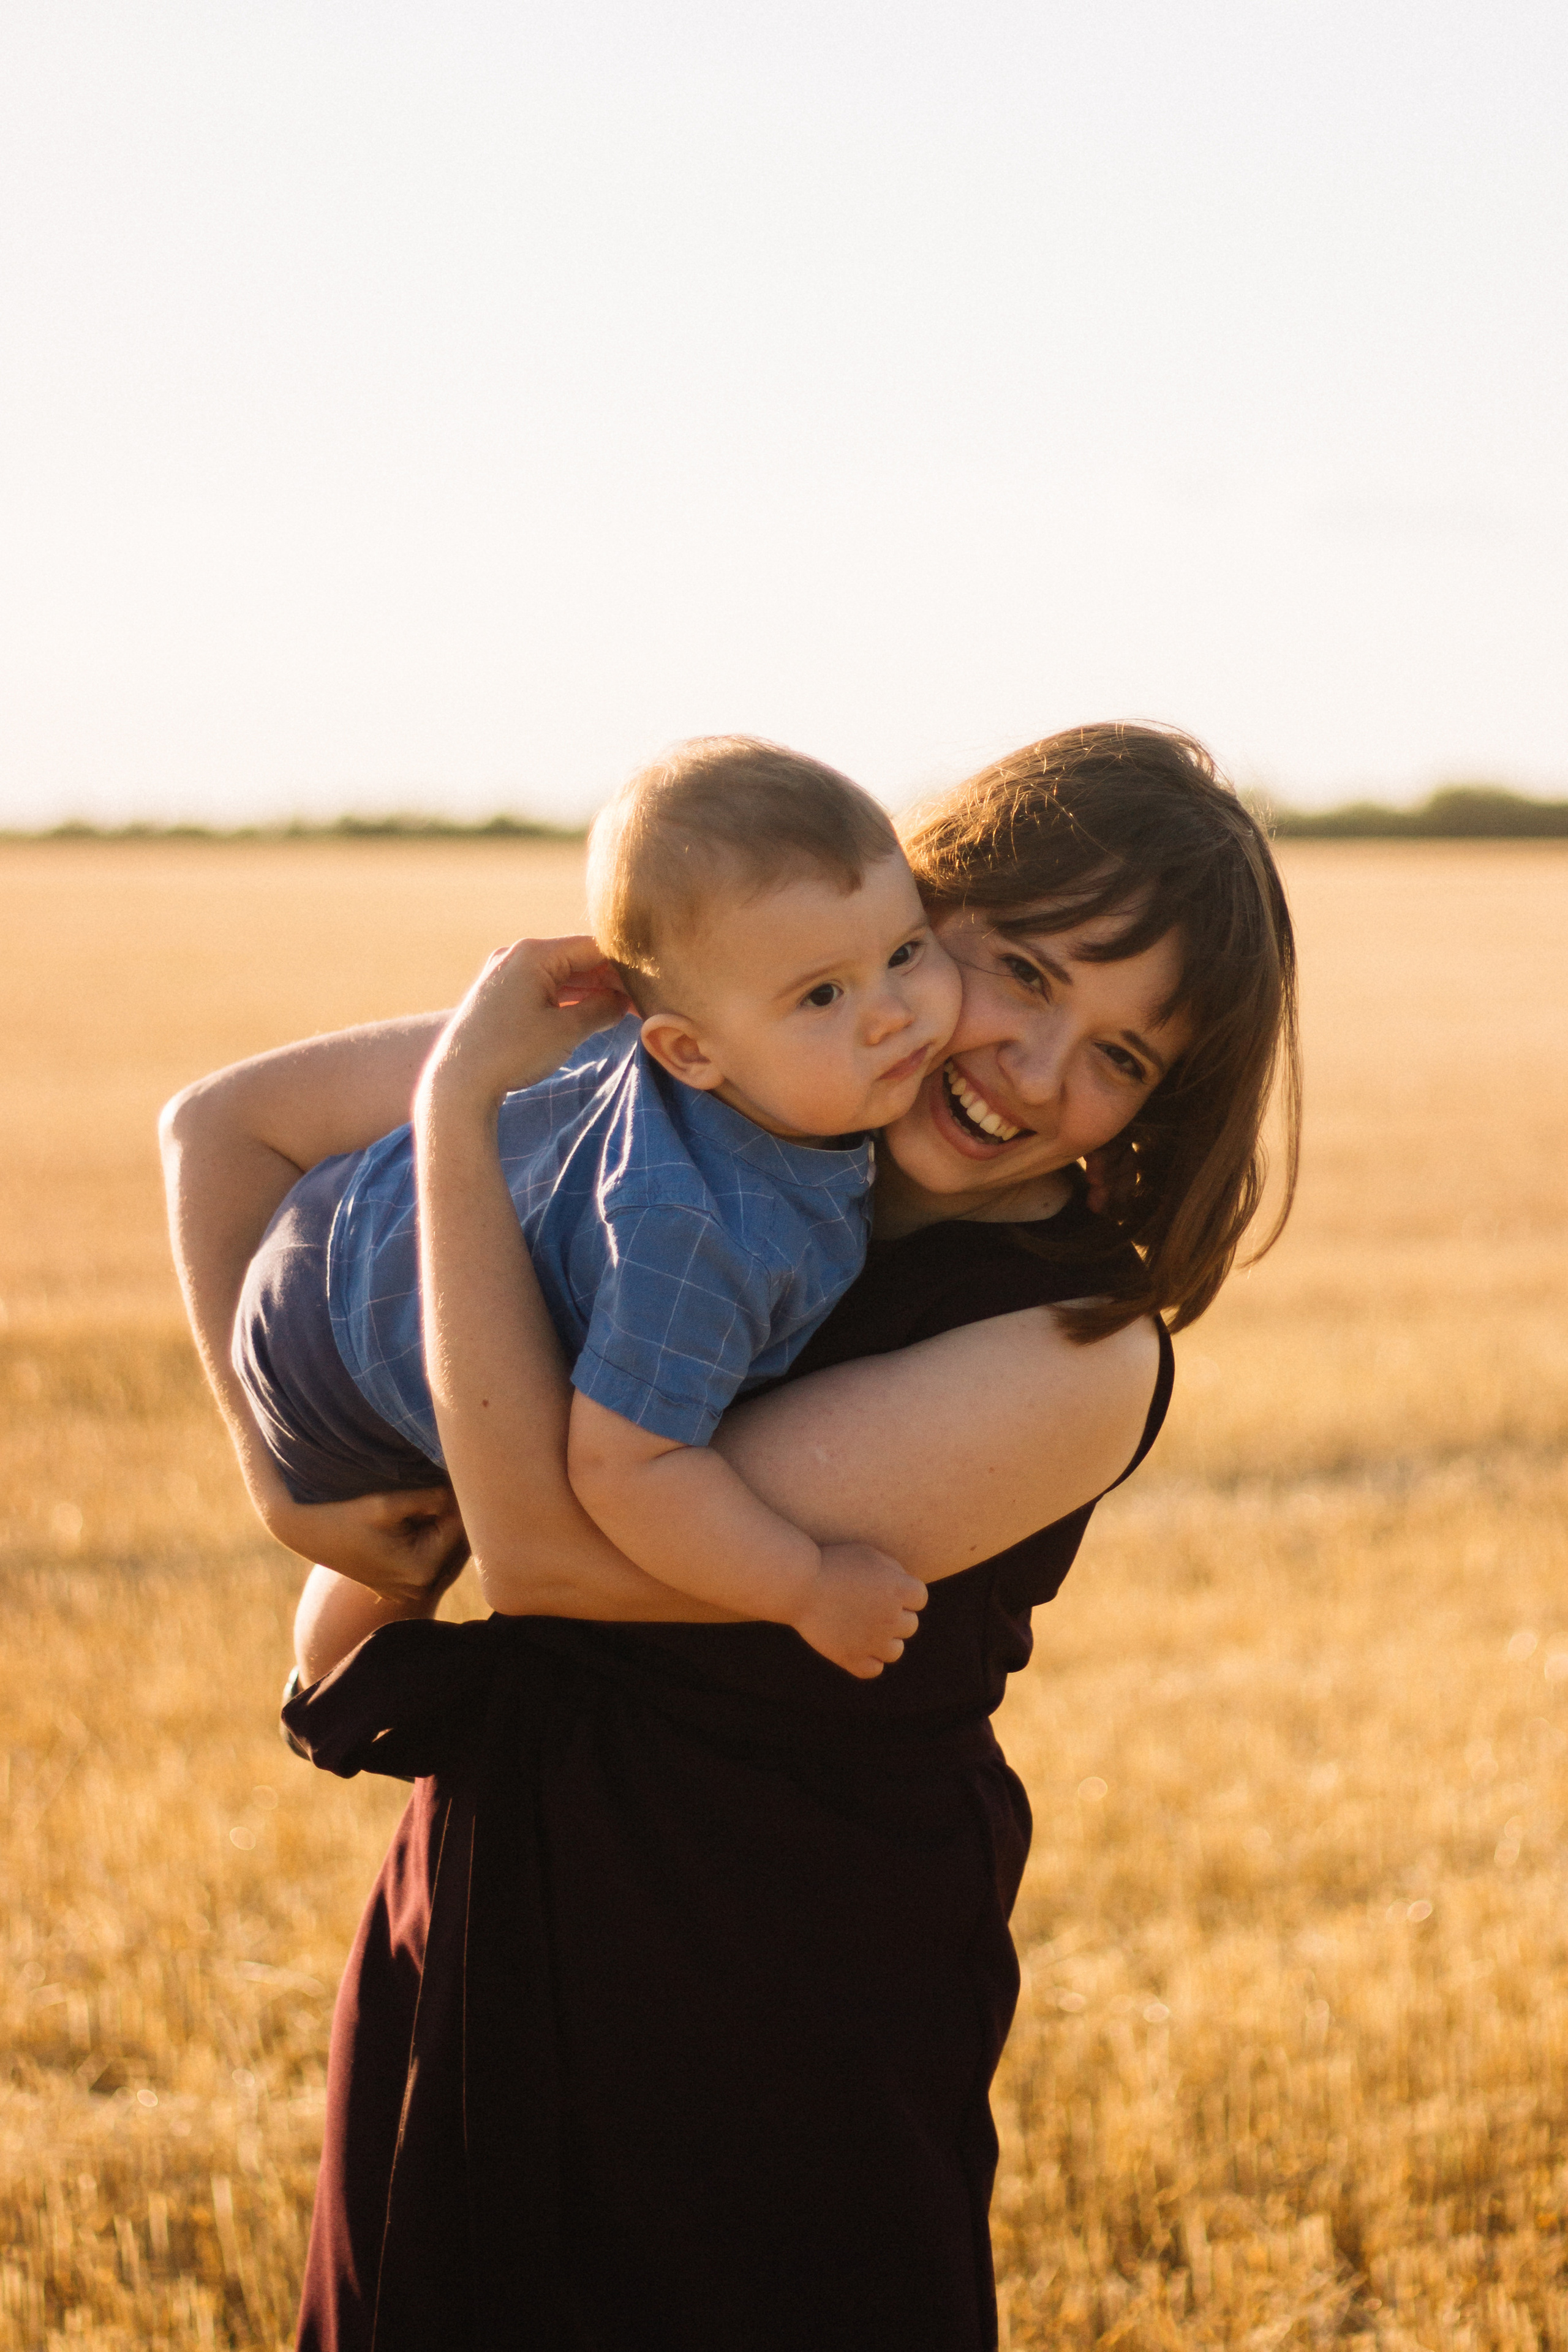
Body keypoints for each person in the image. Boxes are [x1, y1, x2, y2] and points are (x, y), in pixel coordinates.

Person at [159, 722, 1300, 2352]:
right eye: (1026, 976)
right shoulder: (686, 1061)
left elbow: (550, 1555)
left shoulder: (1077, 1349)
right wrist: (285, 1475)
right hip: (497, 1891)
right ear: (911, 913)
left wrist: (462, 1110)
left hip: (776, 1989)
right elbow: (219, 1128)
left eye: (1123, 1056)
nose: (1040, 1074)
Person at [229, 737, 957, 1679]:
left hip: (356, 1215)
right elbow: (629, 1469)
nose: (892, 1012)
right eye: (823, 994)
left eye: (905, 951)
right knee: (429, 1521)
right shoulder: (704, 1233)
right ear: (688, 1052)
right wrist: (805, 1585)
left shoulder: (751, 1073)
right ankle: (328, 1687)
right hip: (335, 1345)